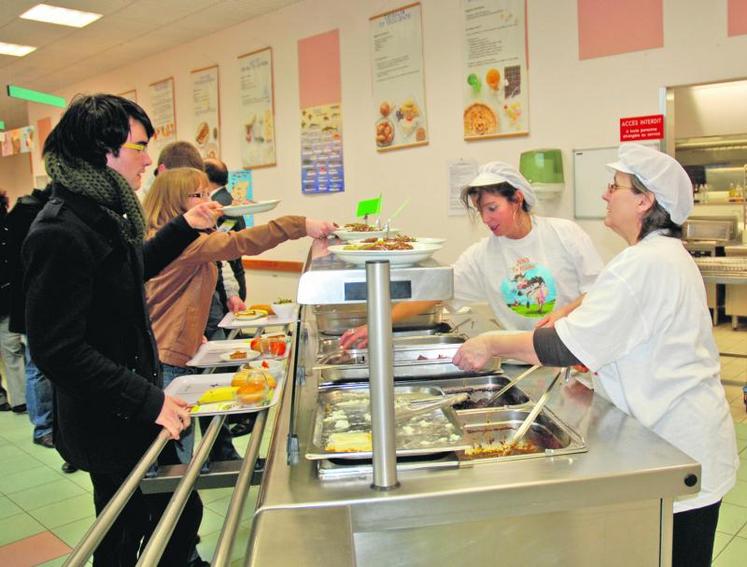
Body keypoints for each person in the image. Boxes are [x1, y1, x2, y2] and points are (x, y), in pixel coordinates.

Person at [452, 143, 739, 567]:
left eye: (614, 186)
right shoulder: (651, 258)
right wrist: (572, 315)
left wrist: (491, 342)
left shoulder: (644, 264)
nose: (605, 194)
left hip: (680, 441)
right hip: (675, 436)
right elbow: (613, 323)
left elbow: (560, 346)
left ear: (644, 201)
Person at [23, 93, 221, 566]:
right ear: (102, 151)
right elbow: (58, 349)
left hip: (133, 404)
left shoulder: (105, 215)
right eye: (138, 147)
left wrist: (185, 226)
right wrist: (148, 399)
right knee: (122, 532)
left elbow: (131, 272)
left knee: (173, 514)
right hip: (108, 416)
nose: (148, 160)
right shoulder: (60, 231)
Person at [142, 167, 335, 458]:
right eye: (199, 195)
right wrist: (300, 225)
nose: (210, 201)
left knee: (180, 449)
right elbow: (240, 243)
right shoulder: (182, 242)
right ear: (174, 200)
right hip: (168, 358)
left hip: (177, 349)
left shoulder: (183, 239)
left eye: (208, 193)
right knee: (173, 455)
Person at [340, 161, 603, 349]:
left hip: (574, 354)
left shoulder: (564, 234)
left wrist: (563, 313)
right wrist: (378, 323)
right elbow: (434, 293)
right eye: (481, 211)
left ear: (518, 199)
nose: (486, 219)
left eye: (492, 208)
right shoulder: (482, 255)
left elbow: (600, 291)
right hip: (524, 358)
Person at [0, 189, 26, 414]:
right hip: (6, 298)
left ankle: (13, 398)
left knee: (12, 350)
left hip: (5, 298)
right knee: (13, 351)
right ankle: (19, 400)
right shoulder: (8, 227)